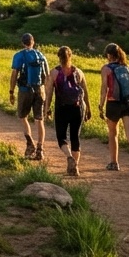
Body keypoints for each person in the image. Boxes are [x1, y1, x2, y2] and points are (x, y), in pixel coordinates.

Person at [44, 46, 91, 176]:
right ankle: (75, 167)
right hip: (77, 108)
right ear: (71, 56)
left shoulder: (54, 73)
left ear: (58, 57)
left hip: (62, 108)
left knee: (61, 137)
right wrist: (88, 109)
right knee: (75, 137)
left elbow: (49, 94)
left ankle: (69, 157)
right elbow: (85, 93)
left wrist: (47, 109)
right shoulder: (79, 72)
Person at [100, 42, 129, 176]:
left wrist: (101, 105)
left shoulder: (106, 69)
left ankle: (114, 163)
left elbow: (104, 89)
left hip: (113, 104)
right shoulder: (128, 68)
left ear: (109, 55)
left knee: (113, 134)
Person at [8, 33, 48, 160]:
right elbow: (47, 76)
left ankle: (30, 144)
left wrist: (11, 91)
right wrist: (45, 92)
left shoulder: (19, 56)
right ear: (33, 42)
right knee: (39, 120)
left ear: (22, 43)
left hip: (25, 90)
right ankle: (40, 149)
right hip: (40, 90)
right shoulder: (41, 56)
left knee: (22, 116)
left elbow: (14, 74)